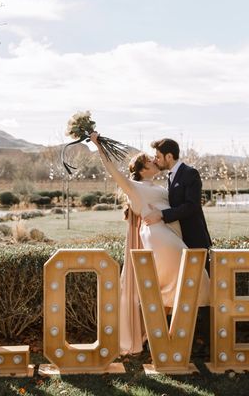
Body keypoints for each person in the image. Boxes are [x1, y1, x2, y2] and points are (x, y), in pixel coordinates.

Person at [90, 132, 209, 355]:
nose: (155, 160)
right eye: (150, 160)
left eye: (157, 157)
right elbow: (112, 170)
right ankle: (167, 338)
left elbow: (182, 206)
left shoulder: (160, 185)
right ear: (143, 169)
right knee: (189, 280)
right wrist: (99, 146)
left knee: (179, 286)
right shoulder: (134, 187)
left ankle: (165, 337)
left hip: (170, 233)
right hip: (160, 238)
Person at [144, 138, 213, 354]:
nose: (156, 160)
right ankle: (186, 340)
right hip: (179, 242)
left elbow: (191, 206)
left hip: (195, 241)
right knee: (185, 292)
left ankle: (208, 343)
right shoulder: (171, 177)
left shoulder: (190, 174)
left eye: (157, 156)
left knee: (202, 292)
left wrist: (162, 216)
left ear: (169, 156)